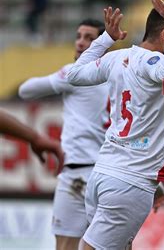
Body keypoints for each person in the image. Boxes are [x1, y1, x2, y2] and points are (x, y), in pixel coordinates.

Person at [67, 0, 164, 249]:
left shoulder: (117, 57)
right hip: (129, 183)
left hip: (103, 175)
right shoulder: (153, 62)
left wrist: (106, 39)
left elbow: (74, 73)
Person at [18, 19, 110, 250]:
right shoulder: (121, 75)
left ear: (102, 45)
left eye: (89, 38)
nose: (81, 42)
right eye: (79, 36)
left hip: (77, 175)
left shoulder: (72, 75)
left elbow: (25, 90)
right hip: (112, 175)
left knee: (66, 246)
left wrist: (61, 77)